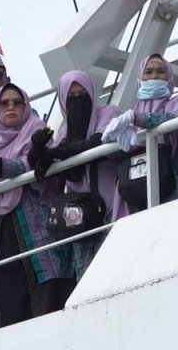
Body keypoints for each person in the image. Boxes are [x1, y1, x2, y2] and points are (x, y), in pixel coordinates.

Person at [0, 84, 73, 330]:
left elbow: (30, 165)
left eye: (17, 102)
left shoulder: (37, 131)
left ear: (26, 106)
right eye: (4, 103)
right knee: (7, 293)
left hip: (35, 224)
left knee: (43, 289)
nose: (11, 107)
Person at [31, 70, 122, 280]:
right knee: (87, 278)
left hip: (112, 207)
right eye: (71, 98)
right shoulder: (64, 132)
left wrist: (59, 153)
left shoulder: (108, 113)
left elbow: (99, 141)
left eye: (83, 95)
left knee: (114, 272)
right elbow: (50, 160)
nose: (77, 101)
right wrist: (38, 149)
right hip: (79, 215)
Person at [103, 54, 178, 207]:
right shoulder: (127, 119)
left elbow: (176, 115)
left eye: (161, 71)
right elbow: (114, 152)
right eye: (148, 72)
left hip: (177, 191)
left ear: (170, 78)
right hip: (139, 197)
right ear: (139, 79)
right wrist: (111, 138)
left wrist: (139, 119)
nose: (154, 76)